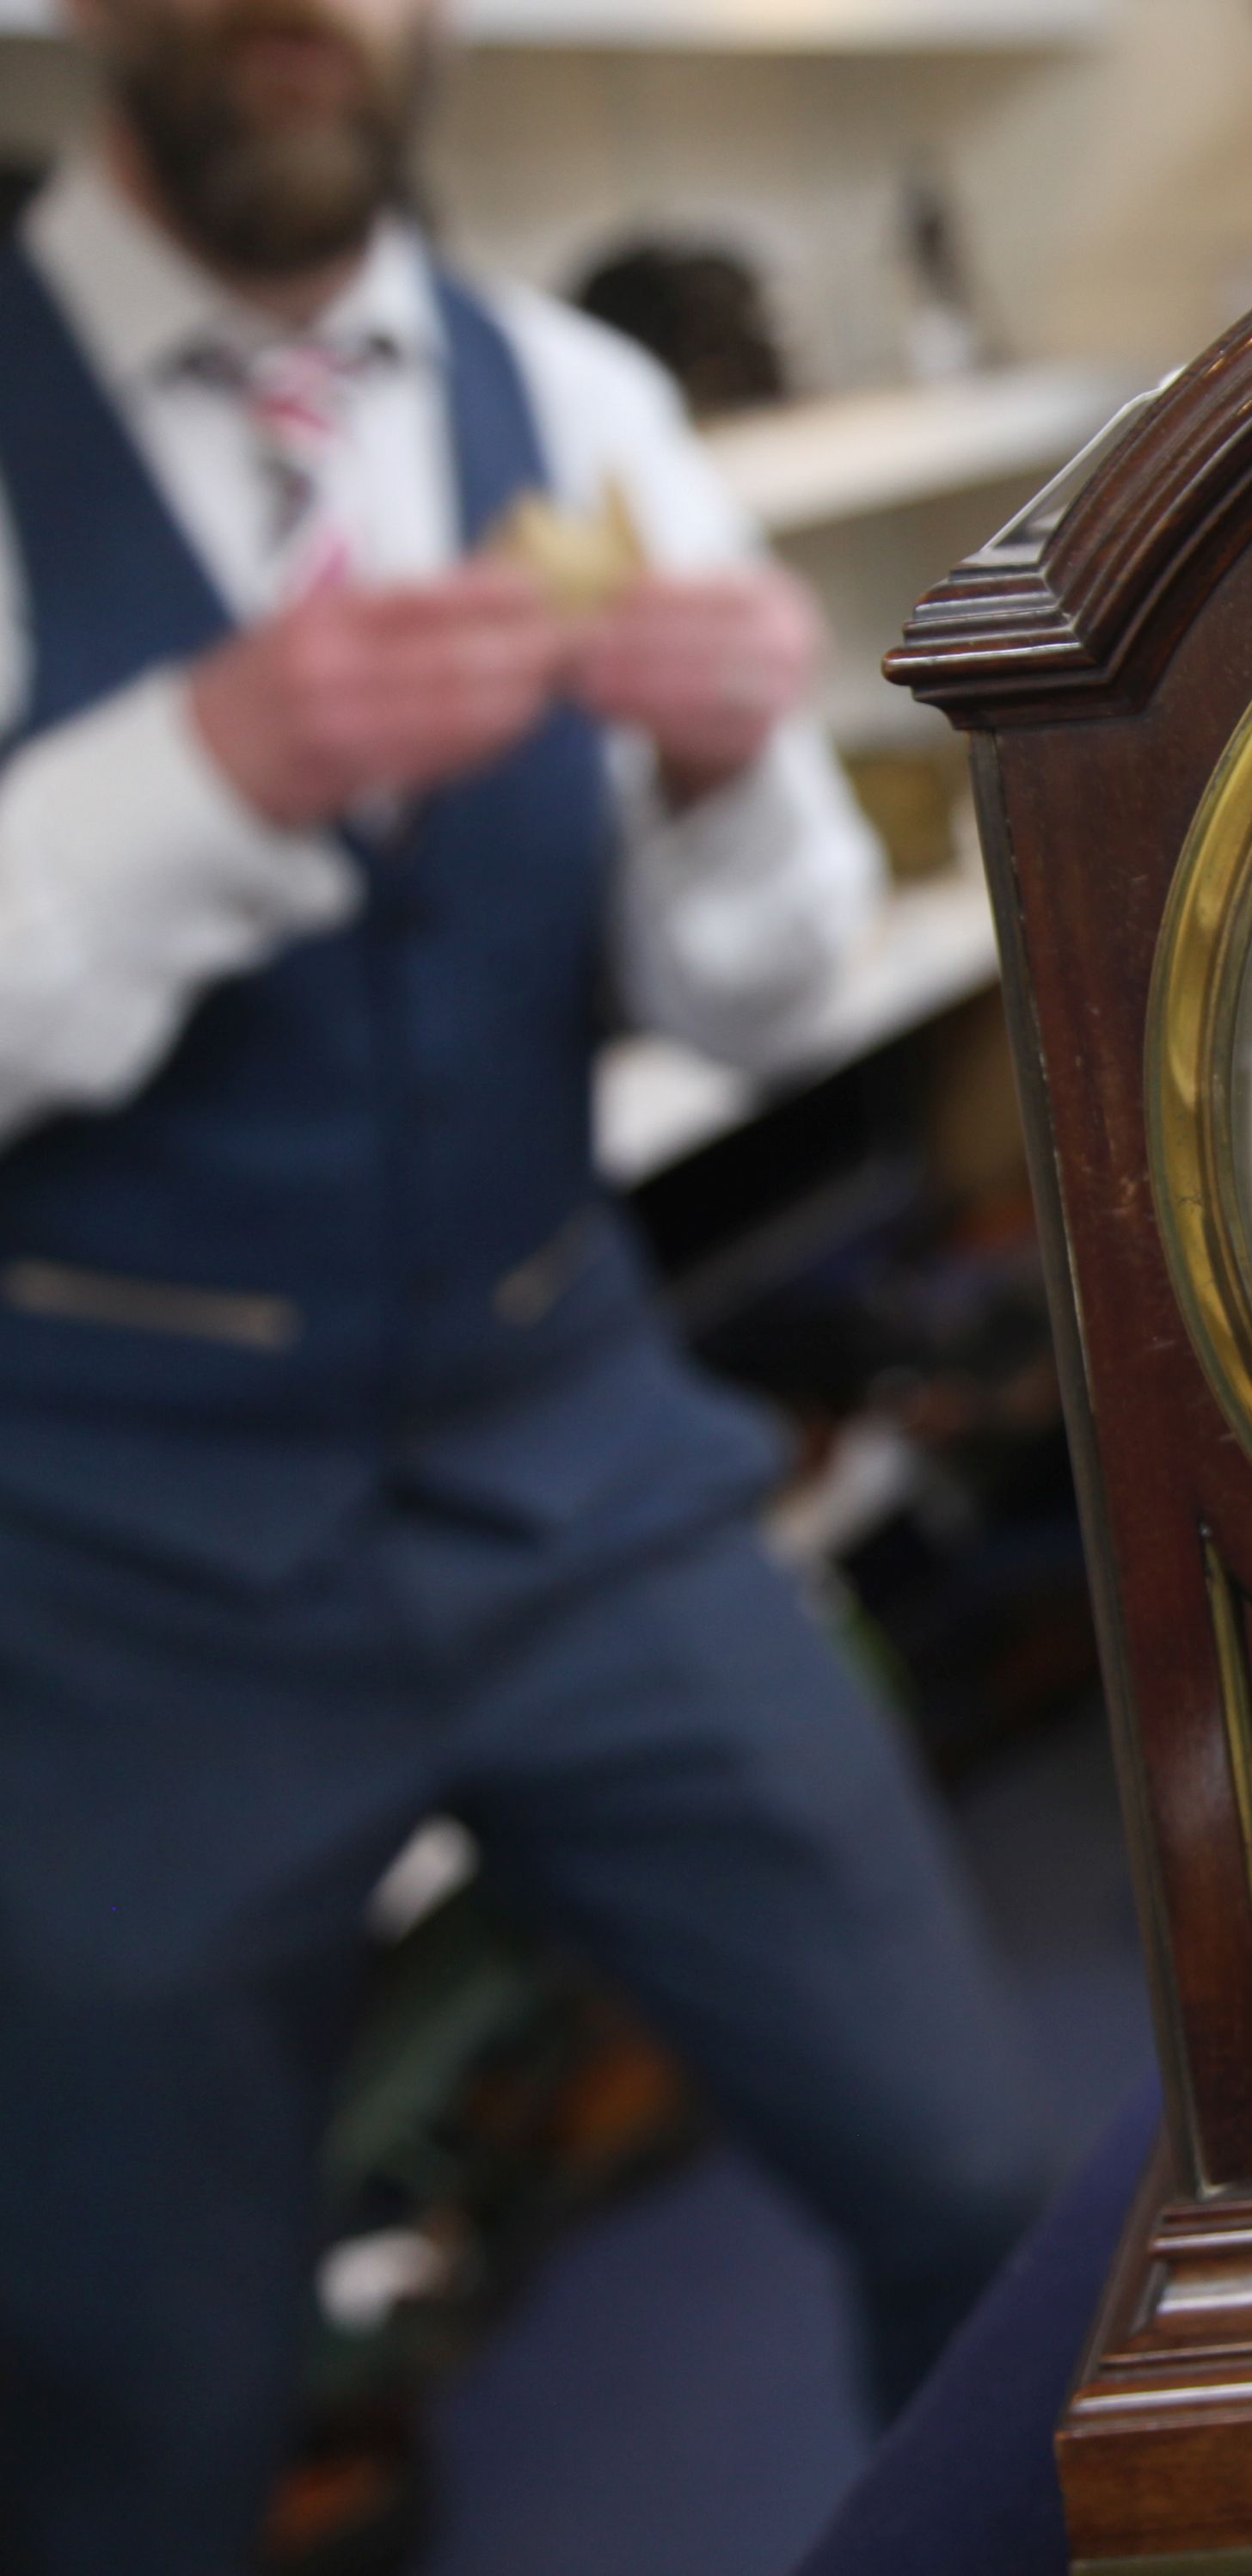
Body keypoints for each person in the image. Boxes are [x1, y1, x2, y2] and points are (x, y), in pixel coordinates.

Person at [0, 0, 1053, 2563]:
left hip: (575, 1435)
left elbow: (776, 988)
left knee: (994, 2189)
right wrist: (198, 774)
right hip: (115, 1529)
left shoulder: (579, 399)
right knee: (124, 2393)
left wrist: (723, 769)